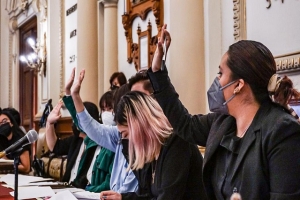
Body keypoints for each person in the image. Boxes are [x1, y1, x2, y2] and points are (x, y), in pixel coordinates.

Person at [147, 24, 300, 199]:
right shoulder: (222, 122)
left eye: (221, 73)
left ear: (238, 85)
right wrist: (157, 72)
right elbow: (184, 123)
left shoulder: (281, 130)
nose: (217, 81)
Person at [70, 70, 206, 199]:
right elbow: (146, 194)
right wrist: (122, 198)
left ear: (138, 126)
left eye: (126, 134)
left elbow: (167, 196)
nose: (124, 141)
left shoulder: (176, 143)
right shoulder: (151, 148)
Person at [63, 68, 139, 194]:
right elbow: (90, 127)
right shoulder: (117, 134)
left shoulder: (143, 141)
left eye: (111, 108)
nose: (112, 113)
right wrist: (74, 95)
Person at [46, 79, 115, 193]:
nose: (75, 123)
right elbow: (55, 146)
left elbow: (107, 184)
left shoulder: (103, 140)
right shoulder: (79, 140)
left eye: (110, 109)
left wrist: (72, 95)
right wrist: (50, 123)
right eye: (103, 109)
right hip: (72, 189)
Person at [0, 108, 31, 174]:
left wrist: (8, 163)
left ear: (11, 123)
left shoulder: (21, 139)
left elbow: (26, 168)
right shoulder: (1, 140)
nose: (2, 125)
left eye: (4, 121)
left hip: (21, 176)